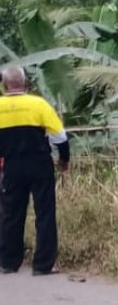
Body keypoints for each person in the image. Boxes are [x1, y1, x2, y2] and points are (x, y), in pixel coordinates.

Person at [0, 66, 69, 276]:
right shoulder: (39, 104)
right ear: (26, 84)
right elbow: (60, 137)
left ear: (4, 86)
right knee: (45, 213)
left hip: (12, 166)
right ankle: (42, 265)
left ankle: (8, 263)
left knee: (11, 214)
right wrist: (64, 159)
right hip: (40, 164)